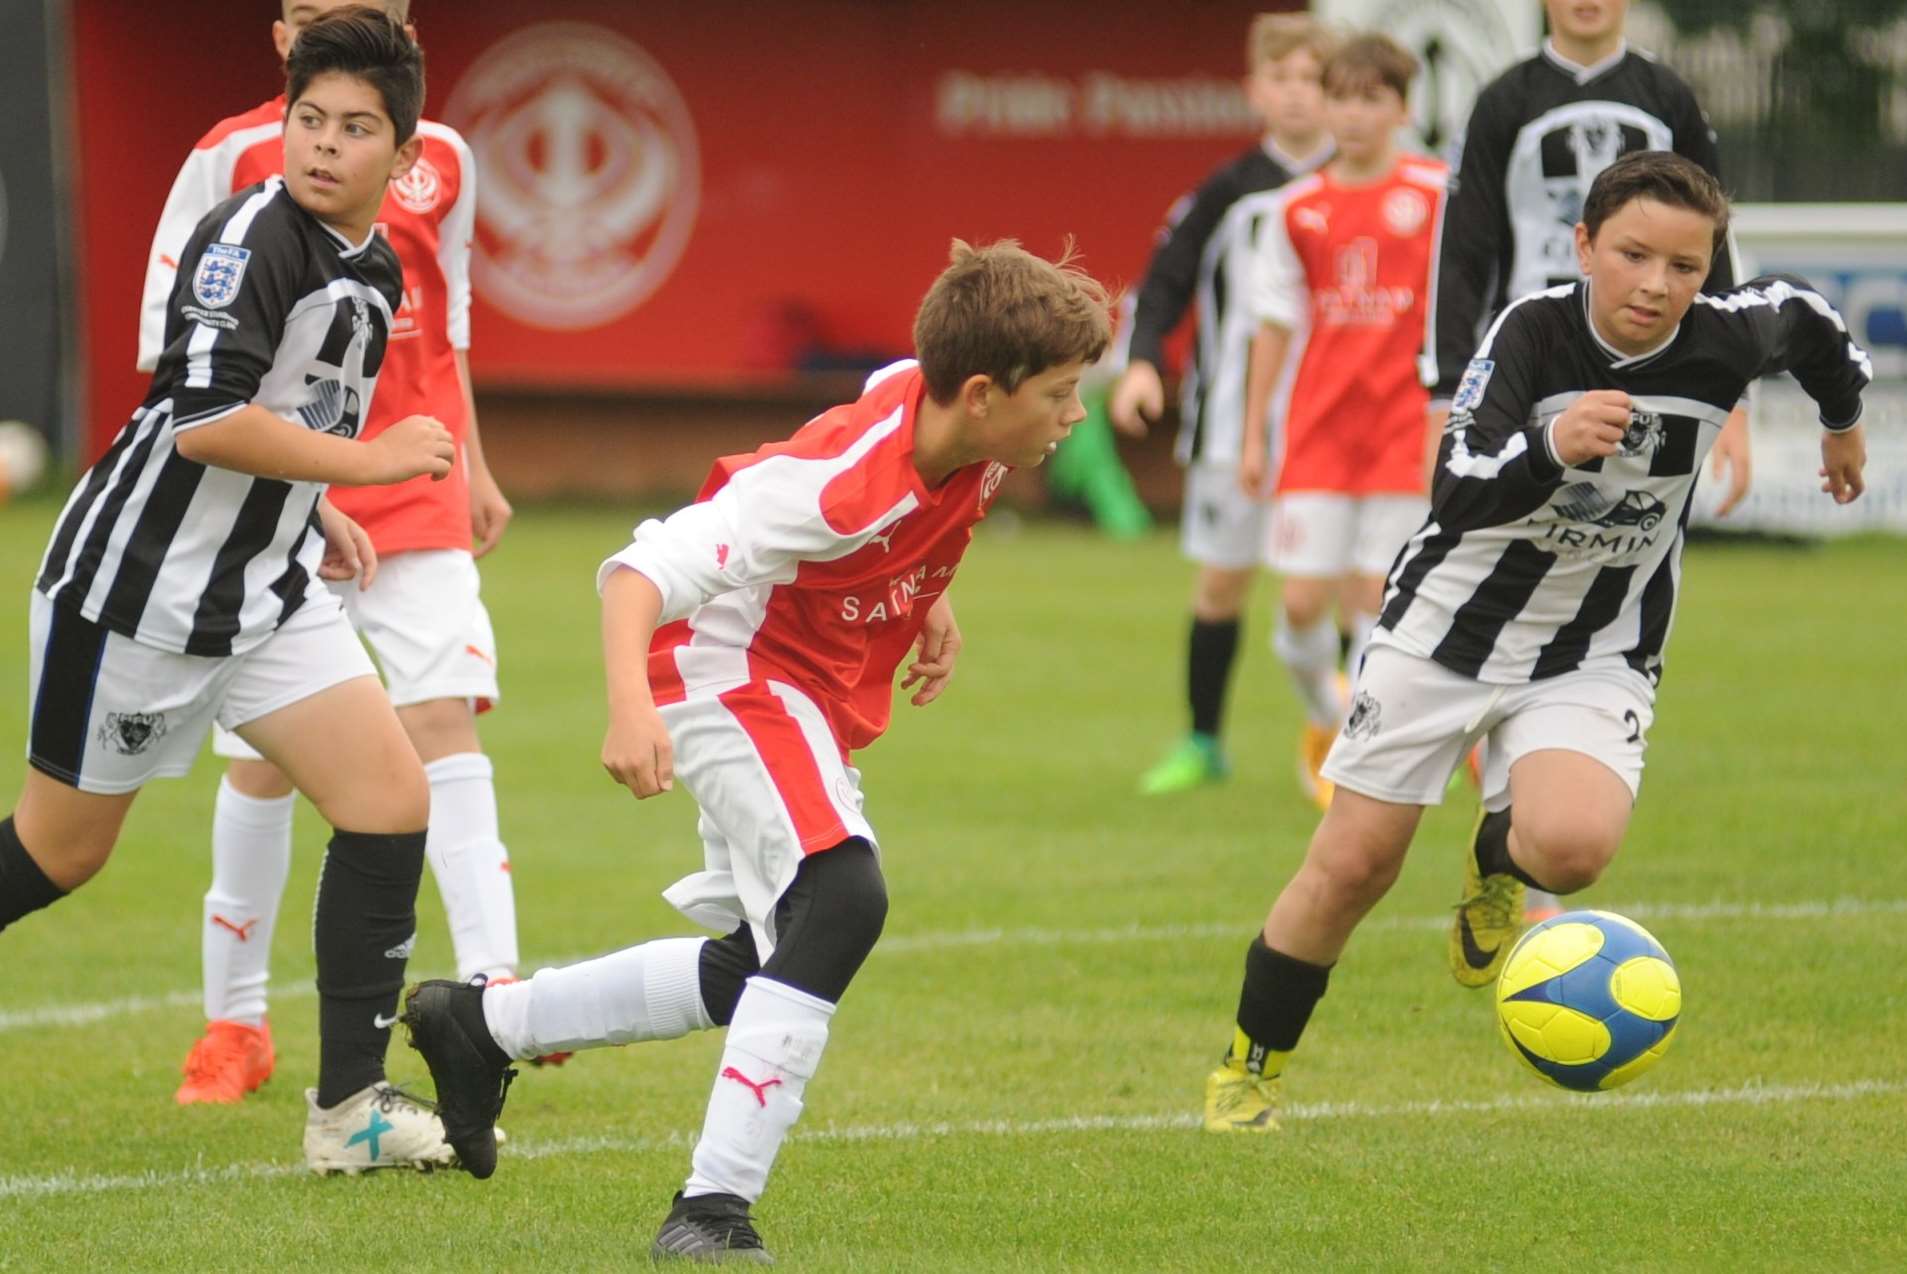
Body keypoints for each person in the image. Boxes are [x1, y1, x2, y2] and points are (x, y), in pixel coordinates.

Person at [398, 241, 1112, 1259]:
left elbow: (891, 393)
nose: (1073, 416)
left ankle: (481, 1024)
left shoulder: (951, 409)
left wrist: (926, 587)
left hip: (800, 683)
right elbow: (636, 572)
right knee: (841, 896)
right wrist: (625, 709)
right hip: (724, 670)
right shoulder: (829, 490)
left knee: (755, 961)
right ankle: (708, 1209)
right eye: (1061, 395)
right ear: (985, 393)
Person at [1203, 151, 1869, 1132]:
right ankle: (1247, 1067)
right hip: (1442, 633)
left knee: (1571, 847)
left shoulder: (1727, 336)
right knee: (1352, 866)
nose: (1655, 284)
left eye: (1683, 266)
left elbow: (1813, 330)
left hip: (1597, 644)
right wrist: (1552, 446)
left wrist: (1842, 424)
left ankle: (1495, 860)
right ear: (1583, 246)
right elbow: (1459, 479)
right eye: (1632, 255)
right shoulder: (1531, 330)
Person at [2, 7, 468, 1172]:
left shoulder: (370, 260)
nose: (323, 145)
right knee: (60, 853)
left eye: (356, 128)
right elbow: (206, 423)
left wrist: (321, 507)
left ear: (403, 158)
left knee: (389, 798)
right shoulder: (250, 235)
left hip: (263, 591)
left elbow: (287, 412)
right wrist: (372, 463)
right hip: (139, 594)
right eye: (309, 119)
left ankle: (348, 1107)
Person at [136, 0, 530, 1107]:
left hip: (412, 480)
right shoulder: (225, 156)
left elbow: (445, 325)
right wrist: (300, 492)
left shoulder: (440, 156)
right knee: (265, 757)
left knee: (441, 714)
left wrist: (474, 465)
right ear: (277, 31)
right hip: (272, 498)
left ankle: (499, 993)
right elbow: (174, 353)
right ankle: (235, 1024)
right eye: (311, 9)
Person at [1425, 0, 1754, 923]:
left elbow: (1710, 245)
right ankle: (1512, 807)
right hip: (1525, 370)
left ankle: (1524, 839)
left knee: (1603, 559)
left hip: (1648, 370)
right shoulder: (1505, 98)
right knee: (1496, 554)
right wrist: (1443, 390)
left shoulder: (1664, 94)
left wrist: (1732, 402)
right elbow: (1466, 246)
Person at [1111, 14, 1337, 796]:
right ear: (1254, 91)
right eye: (1282, 80)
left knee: (1343, 587)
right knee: (1219, 585)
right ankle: (1203, 742)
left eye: (1313, 80)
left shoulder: (1360, 185)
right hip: (1229, 426)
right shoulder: (1227, 191)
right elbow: (1163, 280)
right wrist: (1143, 364)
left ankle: (1343, 738)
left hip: (1335, 422)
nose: (1298, 97)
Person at [1238, 34, 1447, 810]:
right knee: (1298, 607)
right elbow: (1274, 323)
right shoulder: (1296, 207)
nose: (1354, 115)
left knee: (1374, 595)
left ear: (1402, 108)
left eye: (1371, 99)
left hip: (1401, 430)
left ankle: (1355, 759)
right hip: (1319, 428)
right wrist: (1256, 427)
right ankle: (1326, 715)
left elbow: (1463, 310)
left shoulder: (1437, 193)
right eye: (1342, 98)